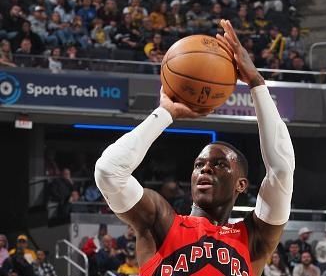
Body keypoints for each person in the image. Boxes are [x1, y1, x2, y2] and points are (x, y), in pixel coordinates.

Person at [95, 19, 295, 276]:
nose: (205, 169)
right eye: (198, 165)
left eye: (219, 164)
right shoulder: (161, 223)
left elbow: (282, 171)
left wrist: (256, 82)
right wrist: (165, 113)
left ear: (241, 184)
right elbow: (108, 172)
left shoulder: (254, 239)